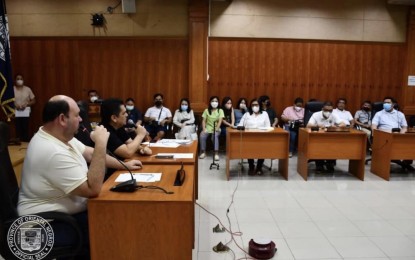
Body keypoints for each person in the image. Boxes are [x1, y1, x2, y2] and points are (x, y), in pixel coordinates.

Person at [17, 95, 143, 258]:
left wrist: (124, 165)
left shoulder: (58, 137)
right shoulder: (52, 151)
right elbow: (92, 189)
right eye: (77, 116)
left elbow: (90, 153)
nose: (81, 121)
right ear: (62, 119)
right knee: (114, 228)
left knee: (117, 216)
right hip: (45, 226)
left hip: (66, 216)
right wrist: (101, 143)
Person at [371, 96, 414, 171]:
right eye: (384, 103)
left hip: (398, 135)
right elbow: (374, 126)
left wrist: (401, 134)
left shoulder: (400, 114)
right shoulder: (379, 114)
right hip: (384, 136)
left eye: (388, 103)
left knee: (410, 144)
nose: (386, 104)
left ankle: (406, 163)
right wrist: (376, 134)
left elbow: (404, 127)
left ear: (393, 104)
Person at [307, 101, 345, 173]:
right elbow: (308, 125)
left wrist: (336, 126)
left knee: (333, 145)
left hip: (330, 137)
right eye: (326, 110)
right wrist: (318, 126)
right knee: (319, 146)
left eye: (330, 110)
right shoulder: (316, 114)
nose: (328, 112)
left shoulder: (334, 115)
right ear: (322, 109)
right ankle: (319, 165)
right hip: (318, 137)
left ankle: (330, 164)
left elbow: (343, 124)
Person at [238, 98, 270, 175]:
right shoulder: (247, 114)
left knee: (263, 147)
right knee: (249, 147)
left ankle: (259, 167)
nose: (255, 106)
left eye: (256, 105)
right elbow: (240, 124)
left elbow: (268, 126)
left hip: (262, 137)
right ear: (250, 106)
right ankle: (251, 166)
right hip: (249, 138)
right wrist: (240, 127)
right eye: (253, 105)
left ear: (260, 105)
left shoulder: (265, 114)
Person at [199, 96, 224, 161]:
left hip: (216, 128)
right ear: (210, 102)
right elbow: (204, 120)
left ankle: (216, 153)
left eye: (216, 101)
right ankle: (203, 152)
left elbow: (220, 120)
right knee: (202, 135)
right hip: (208, 128)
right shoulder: (206, 110)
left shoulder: (220, 110)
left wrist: (217, 128)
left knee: (215, 136)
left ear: (218, 102)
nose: (214, 103)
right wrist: (204, 129)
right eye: (213, 101)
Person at [13, 74, 36, 142]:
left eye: (21, 79)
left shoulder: (27, 89)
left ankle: (25, 141)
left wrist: (27, 104)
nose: (19, 80)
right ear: (15, 80)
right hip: (15, 111)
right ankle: (18, 141)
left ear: (23, 80)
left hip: (25, 111)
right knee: (17, 127)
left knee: (25, 127)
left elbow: (34, 100)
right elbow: (9, 101)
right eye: (18, 79)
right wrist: (14, 105)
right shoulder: (12, 89)